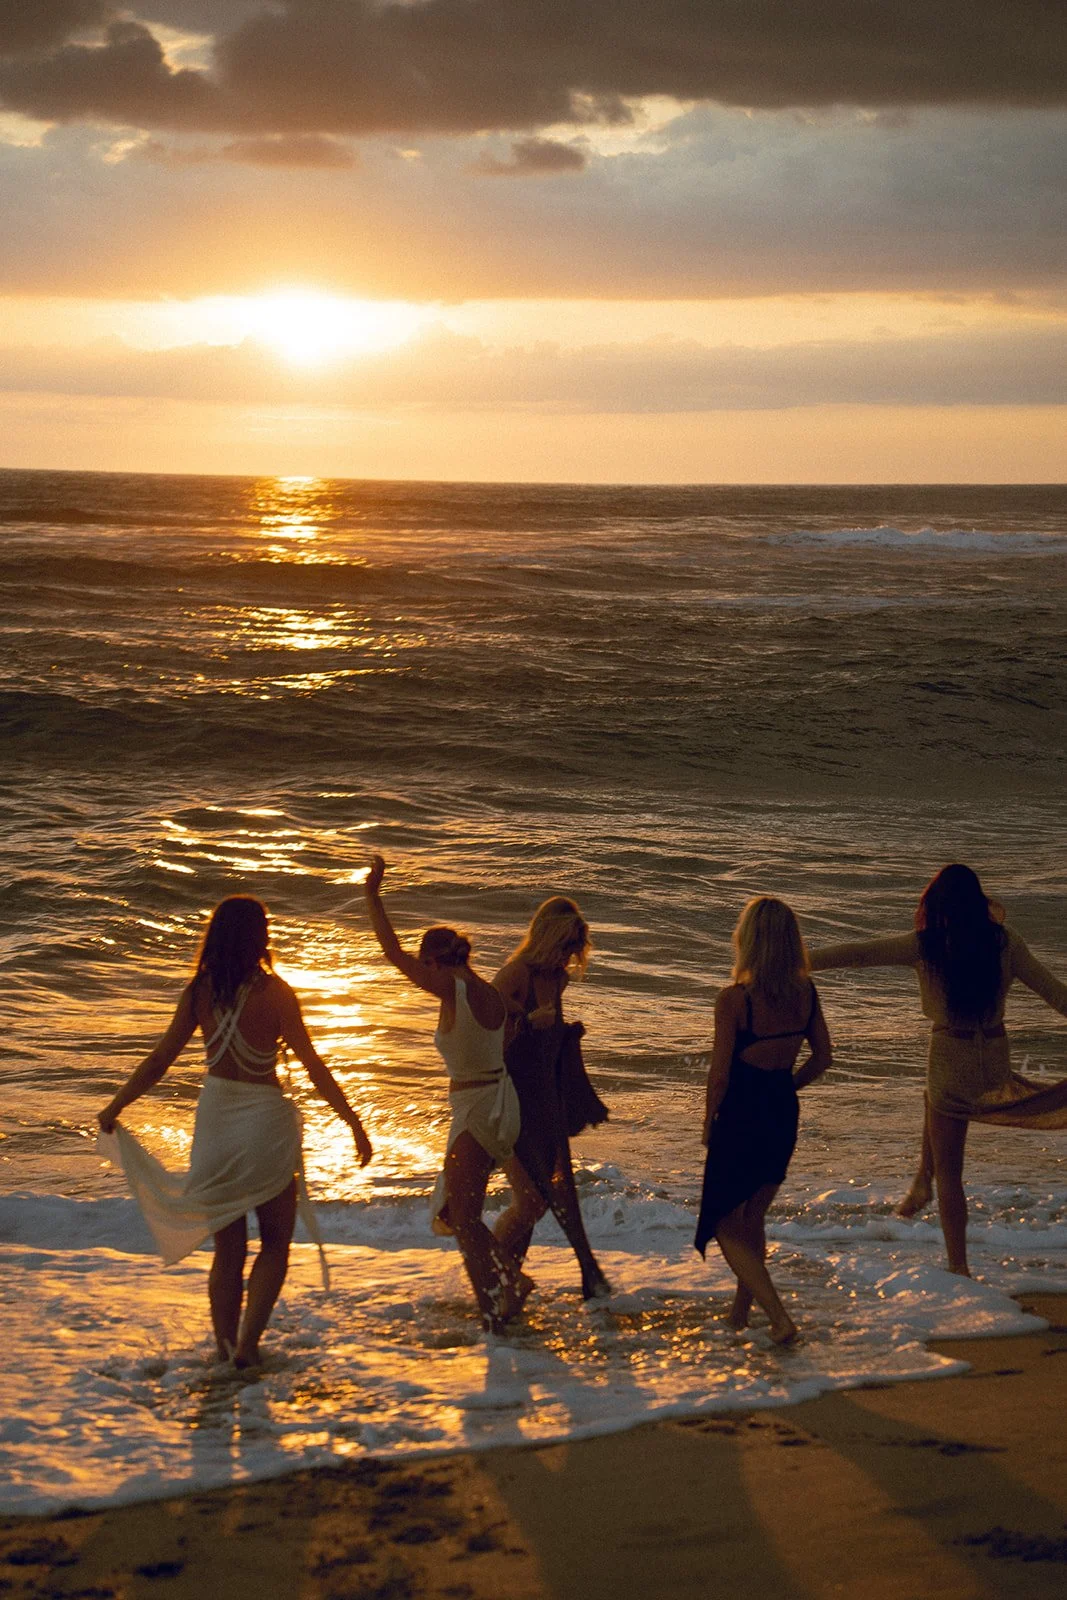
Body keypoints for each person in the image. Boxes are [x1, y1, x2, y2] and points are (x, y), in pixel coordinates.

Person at [98, 896, 372, 1369]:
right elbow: (314, 1067)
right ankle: (247, 1347)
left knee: (228, 1250)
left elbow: (160, 1060)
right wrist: (353, 1122)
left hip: (217, 1123)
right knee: (275, 1244)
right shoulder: (278, 994)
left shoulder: (199, 993)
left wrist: (116, 1105)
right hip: (265, 1124)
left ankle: (225, 1352)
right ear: (257, 937)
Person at [809, 864, 1067, 1277]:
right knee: (932, 1100)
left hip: (950, 1054)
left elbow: (859, 955)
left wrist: (800, 963)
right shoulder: (1004, 943)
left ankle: (957, 1265)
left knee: (952, 1170)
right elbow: (1054, 992)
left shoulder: (927, 945)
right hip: (994, 1059)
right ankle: (919, 1183)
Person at [362, 855, 531, 1331]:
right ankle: (498, 1301)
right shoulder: (494, 994)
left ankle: (506, 1289)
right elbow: (516, 1019)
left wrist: (373, 895)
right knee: (463, 1213)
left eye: (424, 967)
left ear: (434, 962)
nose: (421, 974)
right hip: (501, 1102)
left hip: (477, 1107)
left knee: (463, 1216)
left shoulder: (452, 989)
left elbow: (392, 952)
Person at [695, 896, 832, 1345]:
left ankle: (778, 1316)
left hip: (741, 1110)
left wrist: (708, 1120)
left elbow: (720, 1073)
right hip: (780, 1108)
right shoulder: (806, 992)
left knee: (721, 1219)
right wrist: (787, 1088)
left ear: (749, 941)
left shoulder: (735, 1000)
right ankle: (740, 1313)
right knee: (752, 1215)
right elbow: (824, 1058)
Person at [492, 896, 611, 1300]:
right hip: (507, 1098)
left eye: (575, 949)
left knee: (539, 1198)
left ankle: (505, 1287)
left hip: (542, 1100)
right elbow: (482, 1029)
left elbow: (547, 1043)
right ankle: (489, 1266)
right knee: (530, 1202)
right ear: (547, 939)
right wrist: (525, 1021)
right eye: (565, 947)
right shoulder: (515, 975)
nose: (570, 956)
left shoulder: (557, 979)